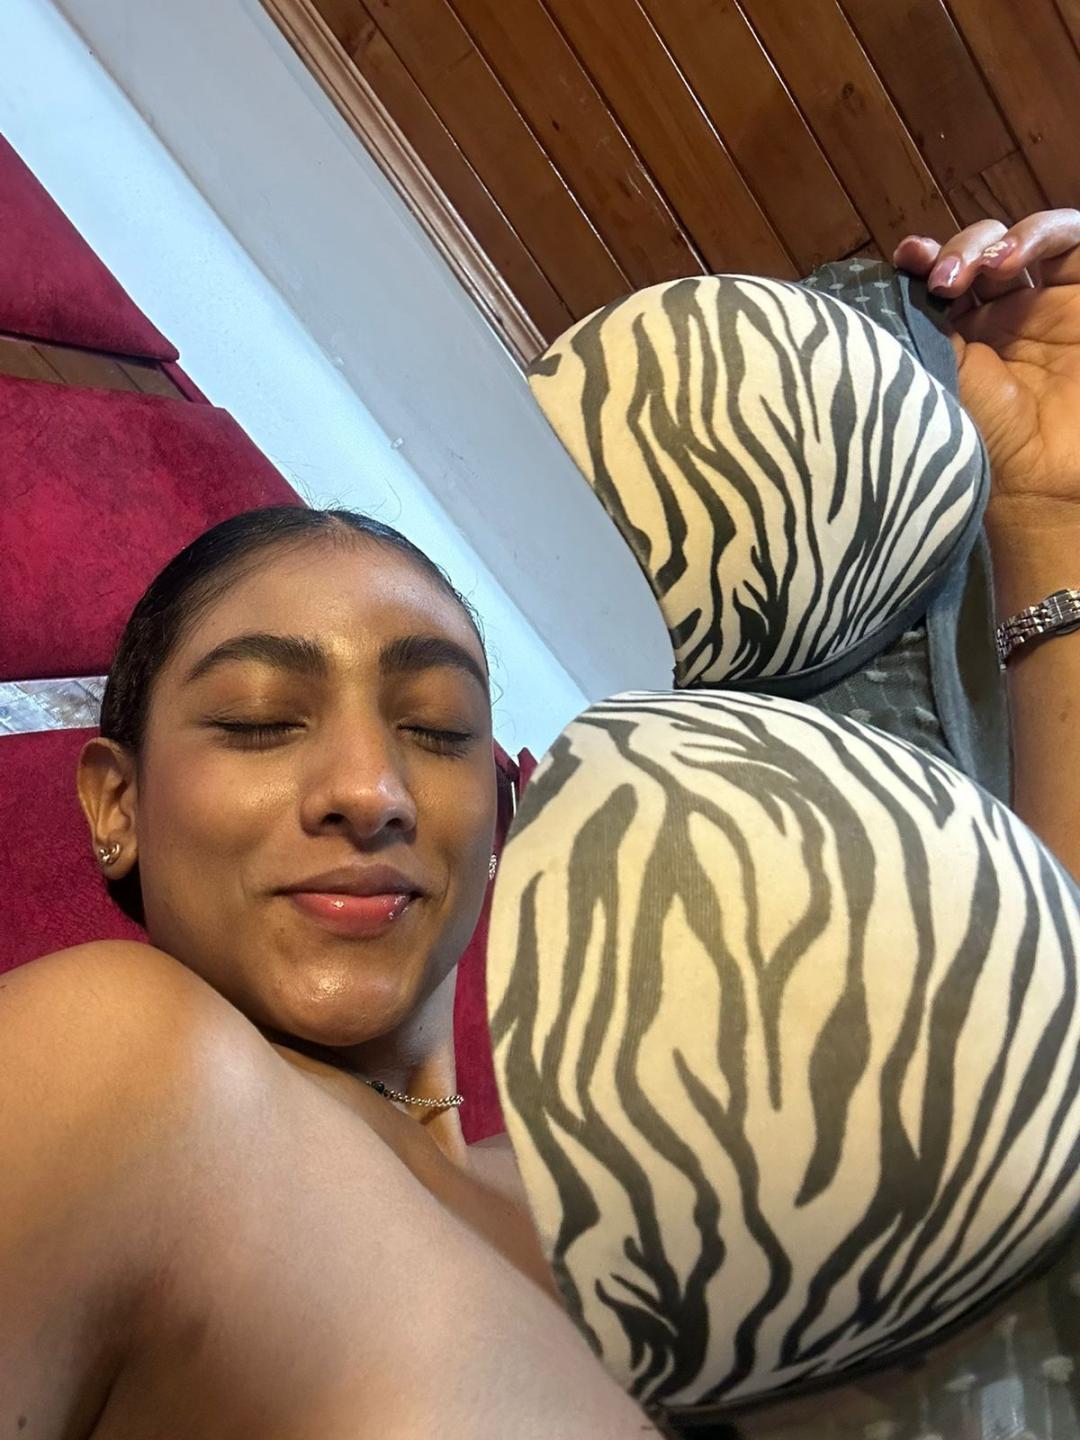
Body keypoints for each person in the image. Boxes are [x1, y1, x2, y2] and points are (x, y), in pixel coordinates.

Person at [2, 207, 1078, 1439]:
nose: (372, 787)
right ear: (117, 802)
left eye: (436, 729)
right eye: (258, 719)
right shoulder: (120, 1063)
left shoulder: (600, 1221)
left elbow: (1033, 1061)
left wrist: (1046, 520)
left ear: (503, 816)